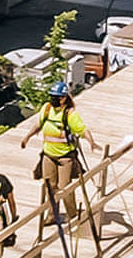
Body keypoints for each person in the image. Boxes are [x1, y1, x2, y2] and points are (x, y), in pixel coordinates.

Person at [20, 80, 98, 225]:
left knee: (65, 188)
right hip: (48, 155)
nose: (53, 99)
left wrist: (91, 142)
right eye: (52, 96)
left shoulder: (70, 114)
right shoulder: (47, 109)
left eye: (57, 97)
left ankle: (72, 214)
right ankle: (51, 215)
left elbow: (82, 130)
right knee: (50, 187)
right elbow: (38, 124)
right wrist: (27, 137)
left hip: (65, 158)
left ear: (64, 98)